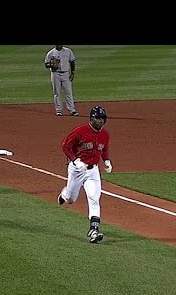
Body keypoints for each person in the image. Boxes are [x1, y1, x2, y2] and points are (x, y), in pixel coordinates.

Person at [57, 106, 112, 244]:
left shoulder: (105, 134)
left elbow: (104, 149)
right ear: (92, 118)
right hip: (77, 170)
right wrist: (75, 160)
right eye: (98, 118)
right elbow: (65, 146)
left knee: (94, 199)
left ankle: (94, 230)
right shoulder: (80, 131)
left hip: (93, 171)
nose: (100, 121)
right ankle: (65, 194)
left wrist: (106, 161)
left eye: (102, 119)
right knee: (71, 199)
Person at [44, 45, 79, 117]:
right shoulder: (51, 53)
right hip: (55, 74)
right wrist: (52, 64)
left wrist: (72, 73)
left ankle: (72, 110)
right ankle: (58, 110)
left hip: (66, 73)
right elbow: (46, 64)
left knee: (68, 92)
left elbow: (72, 62)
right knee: (57, 92)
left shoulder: (68, 51)